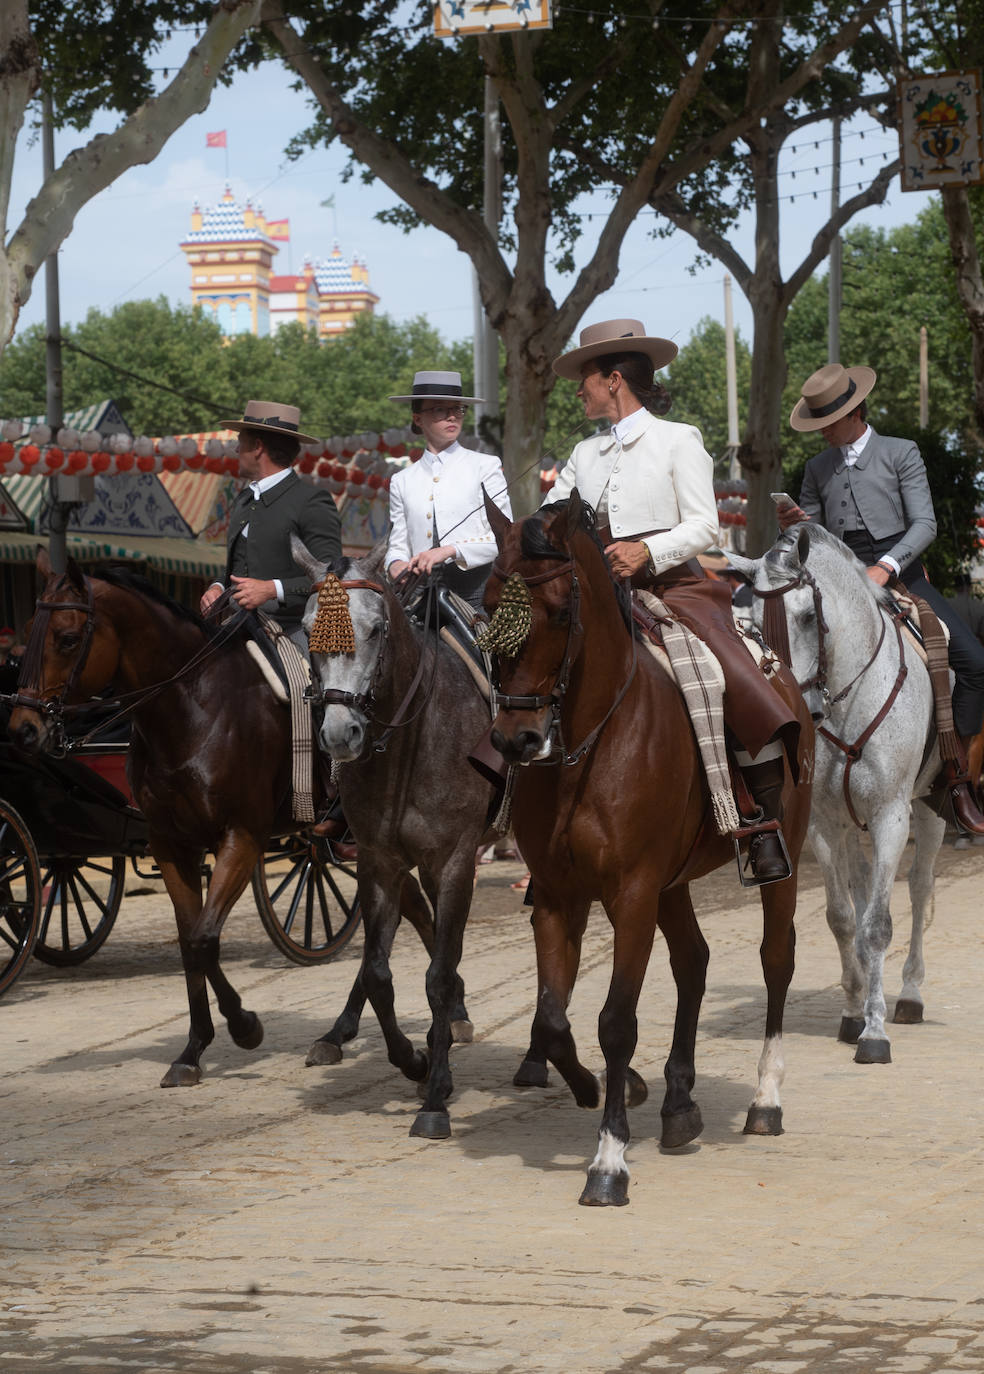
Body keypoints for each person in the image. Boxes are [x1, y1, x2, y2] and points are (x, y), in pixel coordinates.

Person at [545, 318, 802, 883]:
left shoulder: (677, 438)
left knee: (722, 670)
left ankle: (762, 821)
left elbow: (705, 526)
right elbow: (551, 516)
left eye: (584, 379)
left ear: (613, 380)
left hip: (673, 586)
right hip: (596, 595)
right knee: (524, 659)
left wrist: (645, 552)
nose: (578, 390)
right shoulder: (583, 454)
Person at [780, 361, 984, 834]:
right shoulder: (816, 467)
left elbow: (925, 524)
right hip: (840, 574)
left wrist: (886, 566)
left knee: (974, 662)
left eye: (824, 423)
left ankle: (959, 779)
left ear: (851, 414)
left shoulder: (901, 452)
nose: (821, 433)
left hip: (901, 570)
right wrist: (794, 527)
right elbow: (814, 534)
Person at [200, 399, 342, 650]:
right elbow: (237, 567)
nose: (236, 450)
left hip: (292, 632)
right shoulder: (244, 498)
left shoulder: (311, 501)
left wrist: (271, 589)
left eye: (240, 442)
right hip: (236, 626)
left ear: (257, 447)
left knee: (299, 689)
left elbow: (332, 577)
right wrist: (218, 586)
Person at [386, 371, 511, 613]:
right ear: (418, 419)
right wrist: (395, 562)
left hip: (477, 598)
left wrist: (450, 550)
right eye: (440, 410)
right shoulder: (401, 480)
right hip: (416, 598)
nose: (452, 416)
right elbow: (398, 542)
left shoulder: (486, 466)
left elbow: (504, 537)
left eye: (458, 409)